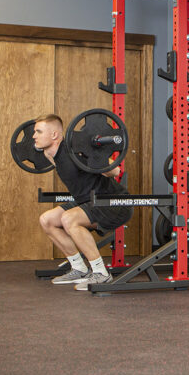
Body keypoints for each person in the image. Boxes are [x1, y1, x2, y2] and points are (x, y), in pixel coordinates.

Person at [31, 114, 132, 290]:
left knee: (69, 219)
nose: (34, 136)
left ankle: (101, 273)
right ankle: (79, 268)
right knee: (47, 220)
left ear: (55, 135)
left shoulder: (76, 151)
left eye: (38, 132)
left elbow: (115, 171)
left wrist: (96, 158)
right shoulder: (51, 154)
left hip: (113, 203)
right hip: (87, 202)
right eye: (34, 132)